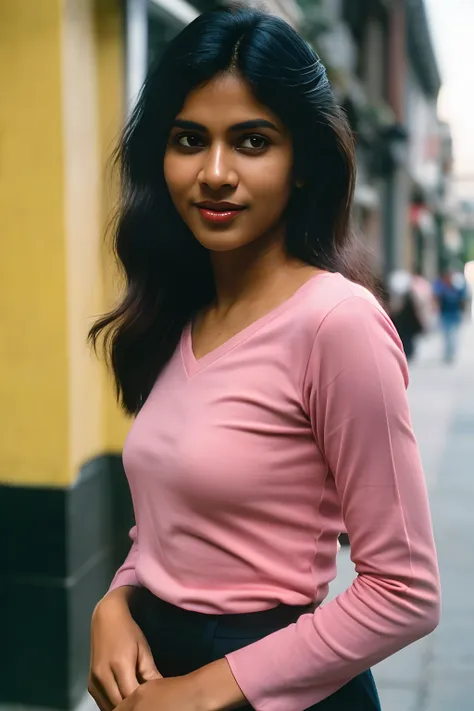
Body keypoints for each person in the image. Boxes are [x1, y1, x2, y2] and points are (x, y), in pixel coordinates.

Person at [88, 8, 440, 711]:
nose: (215, 173)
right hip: (161, 680)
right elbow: (171, 526)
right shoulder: (184, 311)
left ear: (303, 163)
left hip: (276, 689)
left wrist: (203, 691)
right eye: (190, 139)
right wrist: (116, 599)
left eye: (251, 141)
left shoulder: (337, 323)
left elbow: (406, 591)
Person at [433, 268, 467, 363]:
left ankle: (452, 353)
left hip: (455, 314)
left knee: (454, 335)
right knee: (447, 335)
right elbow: (436, 297)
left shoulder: (458, 287)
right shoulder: (442, 288)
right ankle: (448, 354)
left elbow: (463, 300)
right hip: (445, 314)